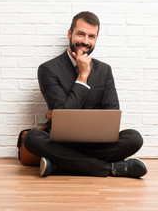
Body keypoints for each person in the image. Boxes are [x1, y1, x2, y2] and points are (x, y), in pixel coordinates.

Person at [24, 11, 147, 178]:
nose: (85, 41)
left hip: (96, 144)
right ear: (70, 33)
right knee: (32, 138)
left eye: (91, 36)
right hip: (64, 143)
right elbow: (65, 116)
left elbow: (112, 113)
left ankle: (61, 164)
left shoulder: (104, 70)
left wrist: (65, 113)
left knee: (134, 138)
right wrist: (82, 77)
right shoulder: (48, 69)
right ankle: (110, 168)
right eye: (80, 34)